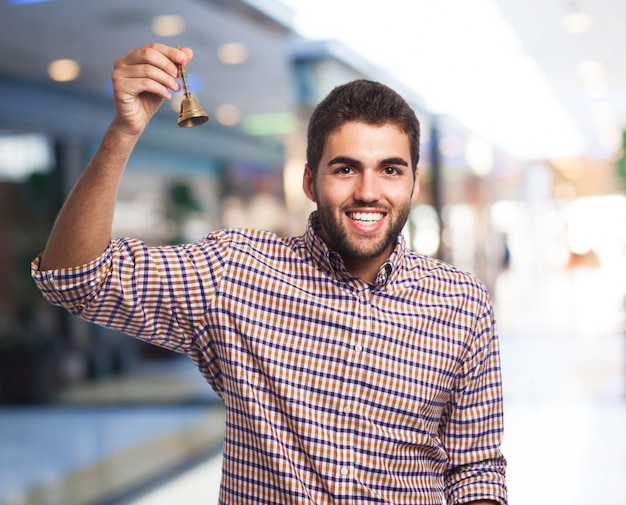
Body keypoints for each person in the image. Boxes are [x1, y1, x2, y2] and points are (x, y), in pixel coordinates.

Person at [31, 43, 507, 505]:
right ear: (309, 180)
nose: (368, 191)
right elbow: (74, 279)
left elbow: (476, 470)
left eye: (390, 169)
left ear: (413, 183)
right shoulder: (234, 272)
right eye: (345, 169)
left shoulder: (461, 303)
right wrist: (123, 131)